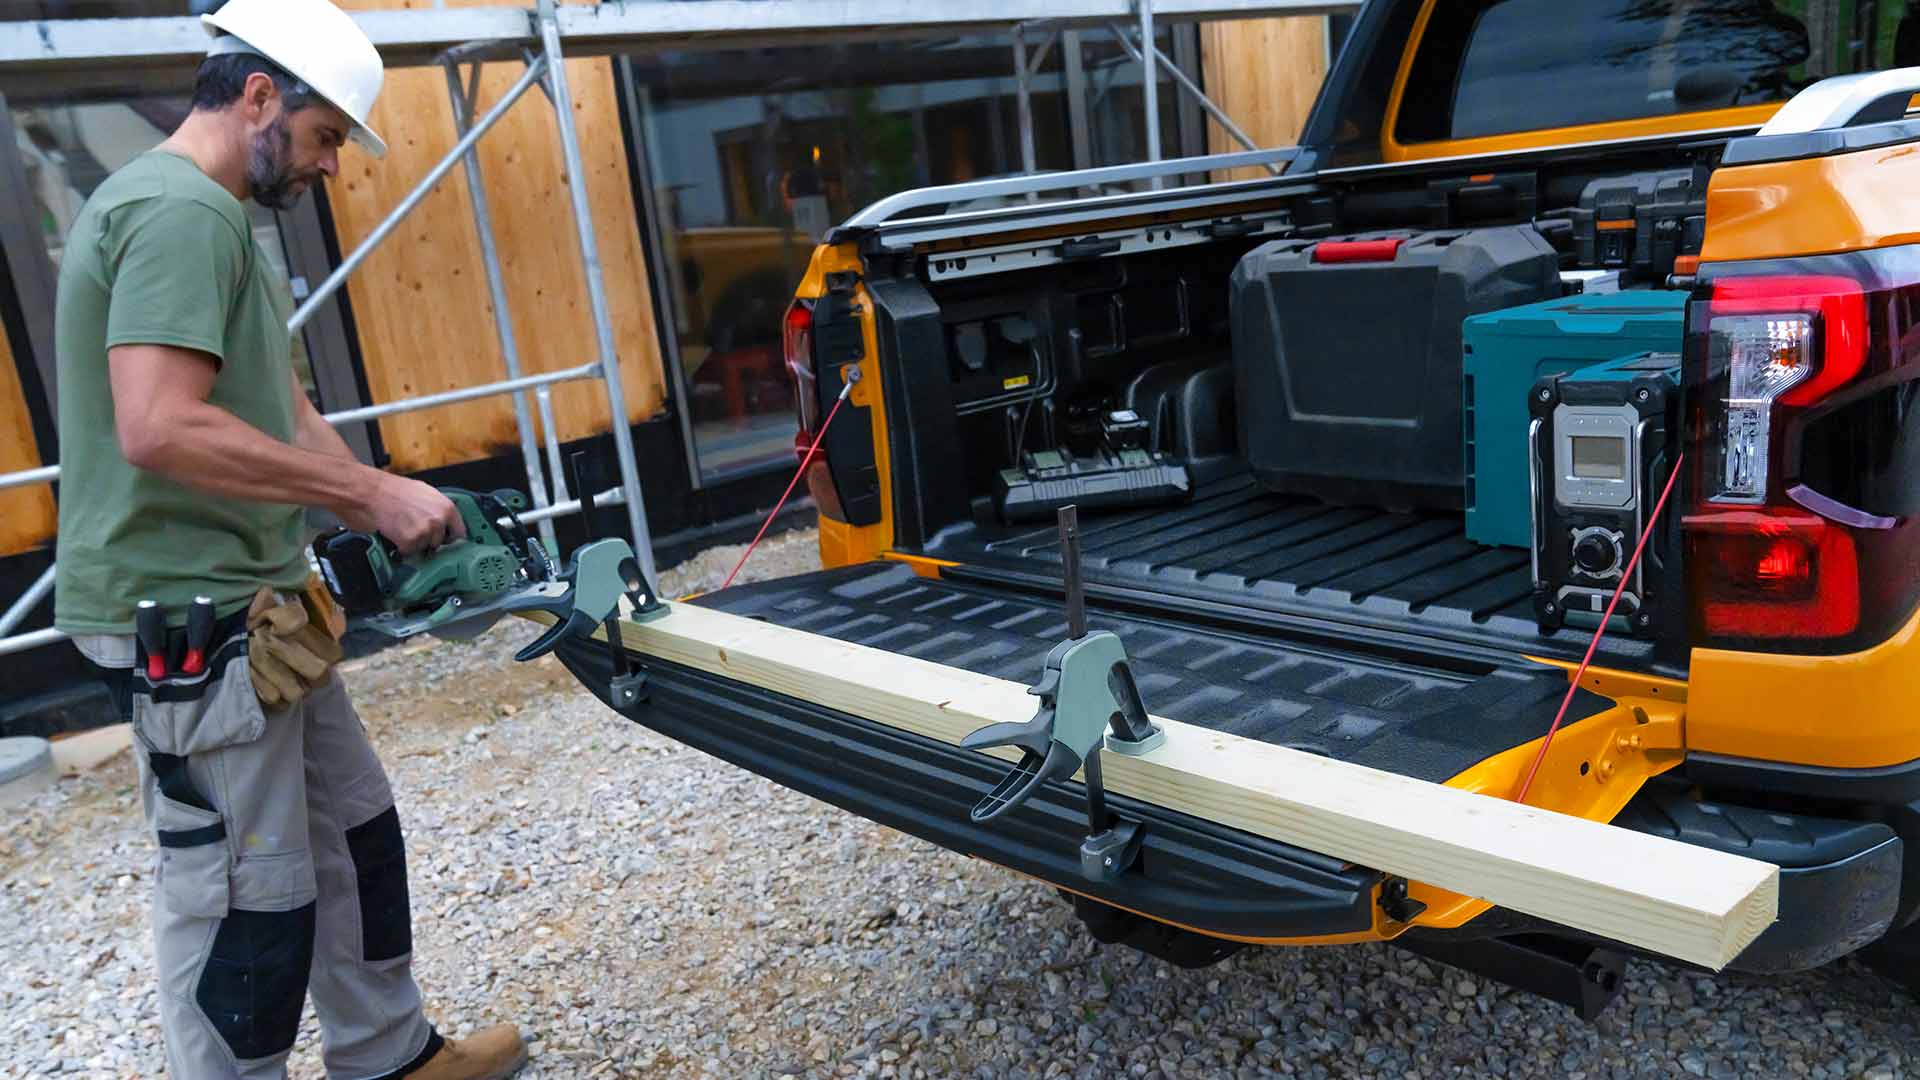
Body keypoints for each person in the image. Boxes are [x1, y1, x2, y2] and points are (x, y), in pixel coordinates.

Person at [51, 0, 526, 1076]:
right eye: (322, 140)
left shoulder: (206, 210)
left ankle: (388, 1054)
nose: (327, 168)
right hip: (189, 613)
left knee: (354, 833)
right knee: (241, 895)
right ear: (258, 94)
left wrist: (373, 487)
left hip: (254, 601)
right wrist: (366, 501)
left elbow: (269, 407)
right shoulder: (183, 214)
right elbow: (159, 424)